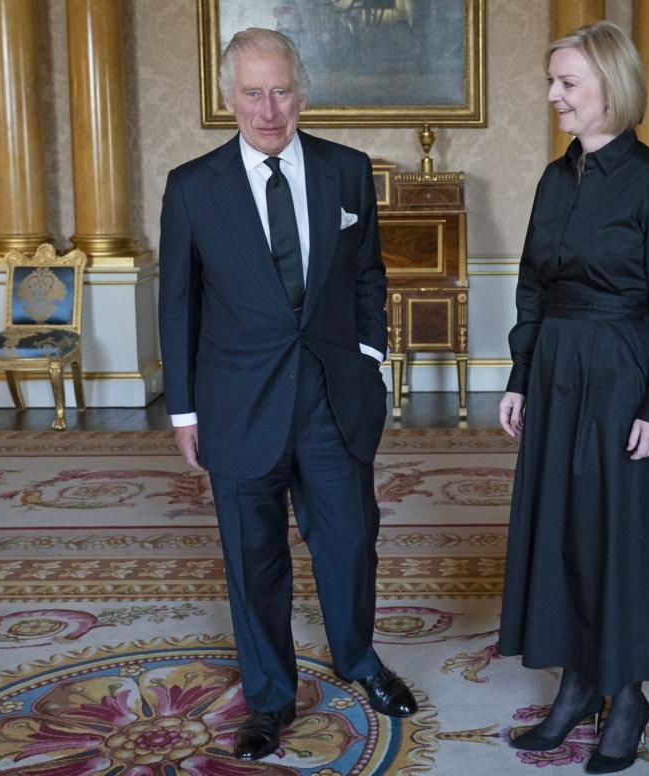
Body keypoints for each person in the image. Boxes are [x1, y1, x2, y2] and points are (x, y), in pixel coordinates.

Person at [158, 27, 416, 763]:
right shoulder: (192, 186)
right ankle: (269, 697)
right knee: (254, 558)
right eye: (251, 92)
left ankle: (359, 662)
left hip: (333, 396)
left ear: (301, 93)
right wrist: (184, 408)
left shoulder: (345, 170)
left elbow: (368, 273)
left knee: (350, 541)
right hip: (236, 403)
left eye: (280, 91)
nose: (267, 109)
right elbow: (178, 305)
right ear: (227, 98)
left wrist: (368, 354)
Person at [496, 20, 649, 775]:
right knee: (564, 532)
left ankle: (627, 693)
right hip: (553, 374)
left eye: (567, 82)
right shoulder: (556, 178)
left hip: (622, 377)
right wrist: (519, 376)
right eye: (551, 81)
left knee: (618, 535)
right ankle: (578, 684)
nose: (552, 95)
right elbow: (529, 286)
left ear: (610, 88)